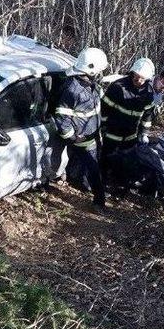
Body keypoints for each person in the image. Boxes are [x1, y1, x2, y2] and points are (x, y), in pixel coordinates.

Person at [54, 47, 109, 211]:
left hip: (92, 134)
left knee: (90, 166)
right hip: (83, 139)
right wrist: (73, 137)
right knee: (93, 169)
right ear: (91, 70)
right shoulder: (73, 89)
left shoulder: (88, 84)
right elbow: (62, 118)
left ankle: (78, 181)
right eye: (99, 70)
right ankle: (99, 202)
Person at [101, 57, 156, 158]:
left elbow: (147, 116)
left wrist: (144, 134)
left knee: (126, 164)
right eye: (137, 76)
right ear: (132, 73)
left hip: (131, 137)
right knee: (107, 162)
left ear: (148, 78)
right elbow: (104, 109)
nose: (139, 80)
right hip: (112, 134)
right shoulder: (118, 87)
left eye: (142, 78)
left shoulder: (148, 94)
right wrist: (102, 127)